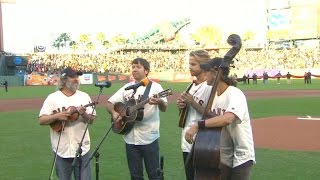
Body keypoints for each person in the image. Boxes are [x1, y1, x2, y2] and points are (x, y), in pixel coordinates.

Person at [185, 58, 255, 180]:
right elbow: (210, 116)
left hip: (241, 155)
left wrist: (198, 125)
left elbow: (228, 118)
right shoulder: (214, 96)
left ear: (217, 73)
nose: (204, 74)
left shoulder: (234, 93)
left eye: (207, 71)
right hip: (222, 154)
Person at [106, 57, 168, 180]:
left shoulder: (155, 87)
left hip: (149, 137)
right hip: (130, 138)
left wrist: (160, 101)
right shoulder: (128, 87)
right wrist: (114, 113)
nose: (134, 69)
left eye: (138, 67)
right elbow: (110, 102)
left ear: (146, 71)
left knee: (154, 175)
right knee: (135, 176)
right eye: (133, 67)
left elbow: (164, 107)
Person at [38, 67, 96, 180]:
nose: (76, 79)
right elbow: (41, 120)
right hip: (61, 150)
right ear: (64, 80)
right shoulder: (52, 98)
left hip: (82, 148)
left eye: (77, 77)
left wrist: (83, 114)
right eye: (73, 77)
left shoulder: (84, 96)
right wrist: (57, 116)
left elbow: (92, 120)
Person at [176, 50, 212, 180]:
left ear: (203, 66)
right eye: (189, 63)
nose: (189, 67)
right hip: (187, 141)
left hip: (203, 142)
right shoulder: (191, 85)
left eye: (193, 64)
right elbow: (186, 113)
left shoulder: (209, 87)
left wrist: (192, 102)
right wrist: (182, 107)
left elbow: (212, 115)